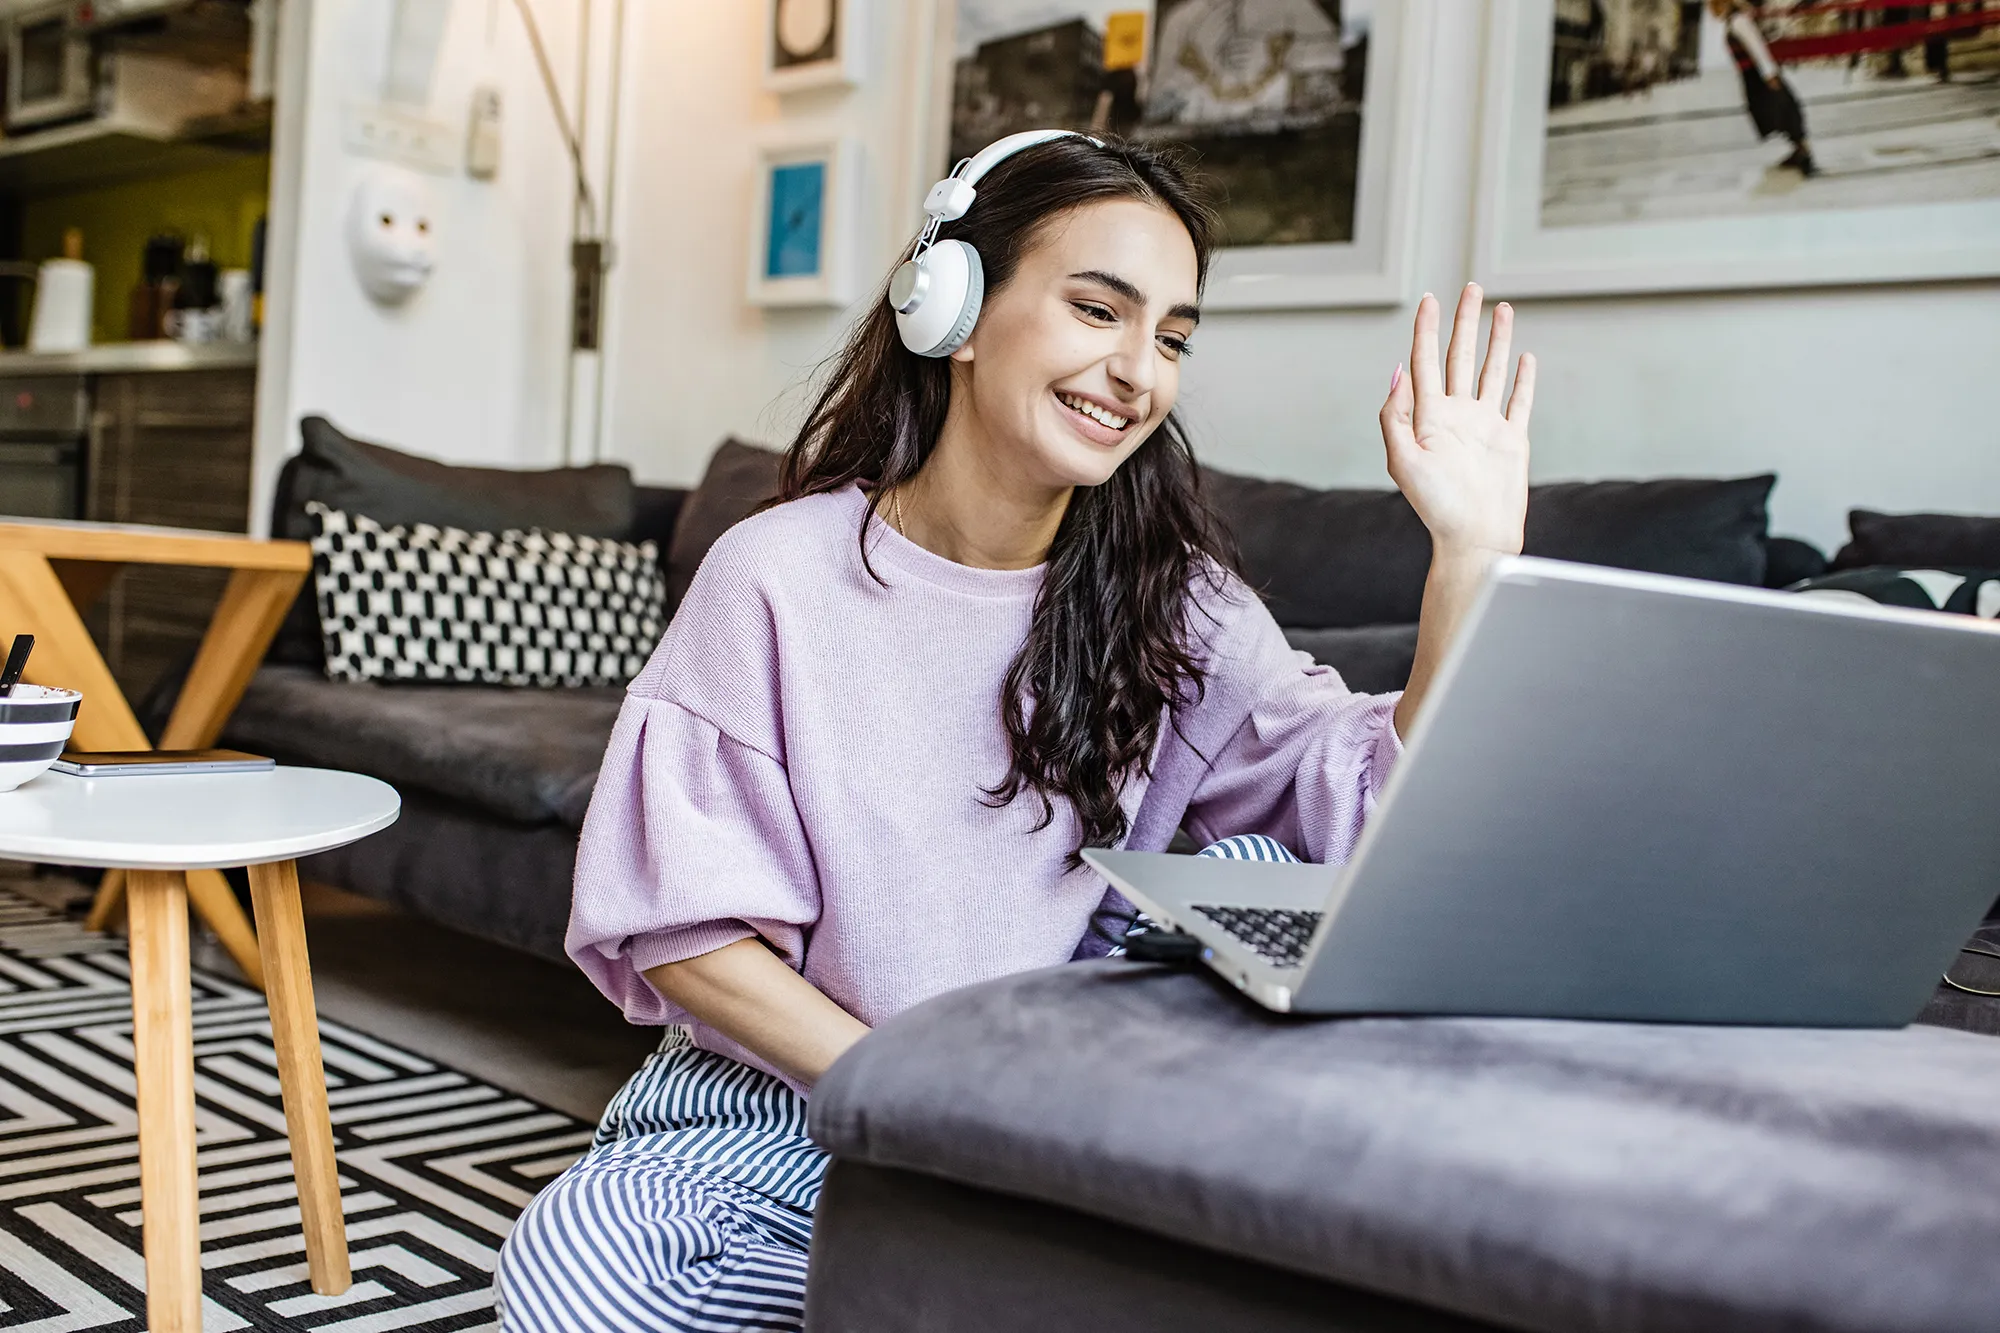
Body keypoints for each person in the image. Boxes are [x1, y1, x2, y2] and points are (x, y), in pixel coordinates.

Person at [493, 133, 1536, 1332]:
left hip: (1041, 1100)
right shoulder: (777, 576)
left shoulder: (1176, 604)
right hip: (784, 1104)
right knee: (575, 1275)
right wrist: (913, 1102)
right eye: (1099, 309)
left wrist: (1468, 551)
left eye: (1173, 336)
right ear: (955, 309)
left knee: (1242, 875)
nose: (1137, 369)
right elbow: (688, 935)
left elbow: (1376, 814)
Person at [1711, 0, 1817, 176]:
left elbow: (1756, 47)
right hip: (1753, 77)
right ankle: (1799, 150)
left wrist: (1769, 74)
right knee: (1773, 113)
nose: (1713, 10)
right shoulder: (1732, 22)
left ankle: (1803, 153)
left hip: (1759, 76)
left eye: (1716, 5)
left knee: (1782, 110)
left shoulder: (1738, 21)